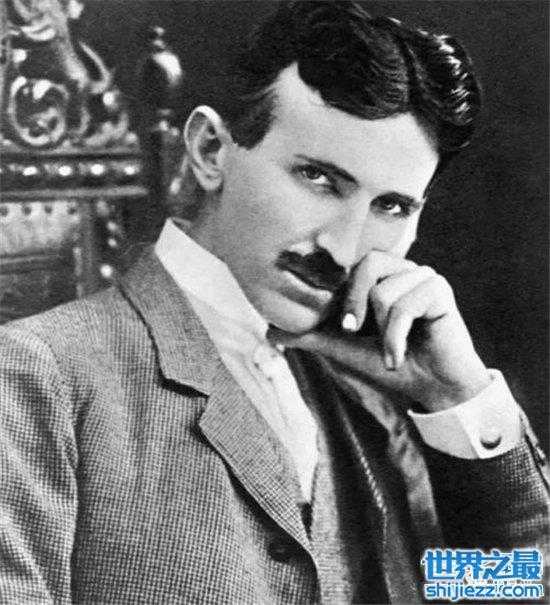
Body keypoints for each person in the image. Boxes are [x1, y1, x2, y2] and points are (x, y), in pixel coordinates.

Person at [0, 1, 548, 603]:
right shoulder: (36, 375)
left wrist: (458, 397)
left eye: (391, 206)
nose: (343, 249)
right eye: (319, 178)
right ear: (210, 150)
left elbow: (509, 592)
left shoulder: (380, 393)